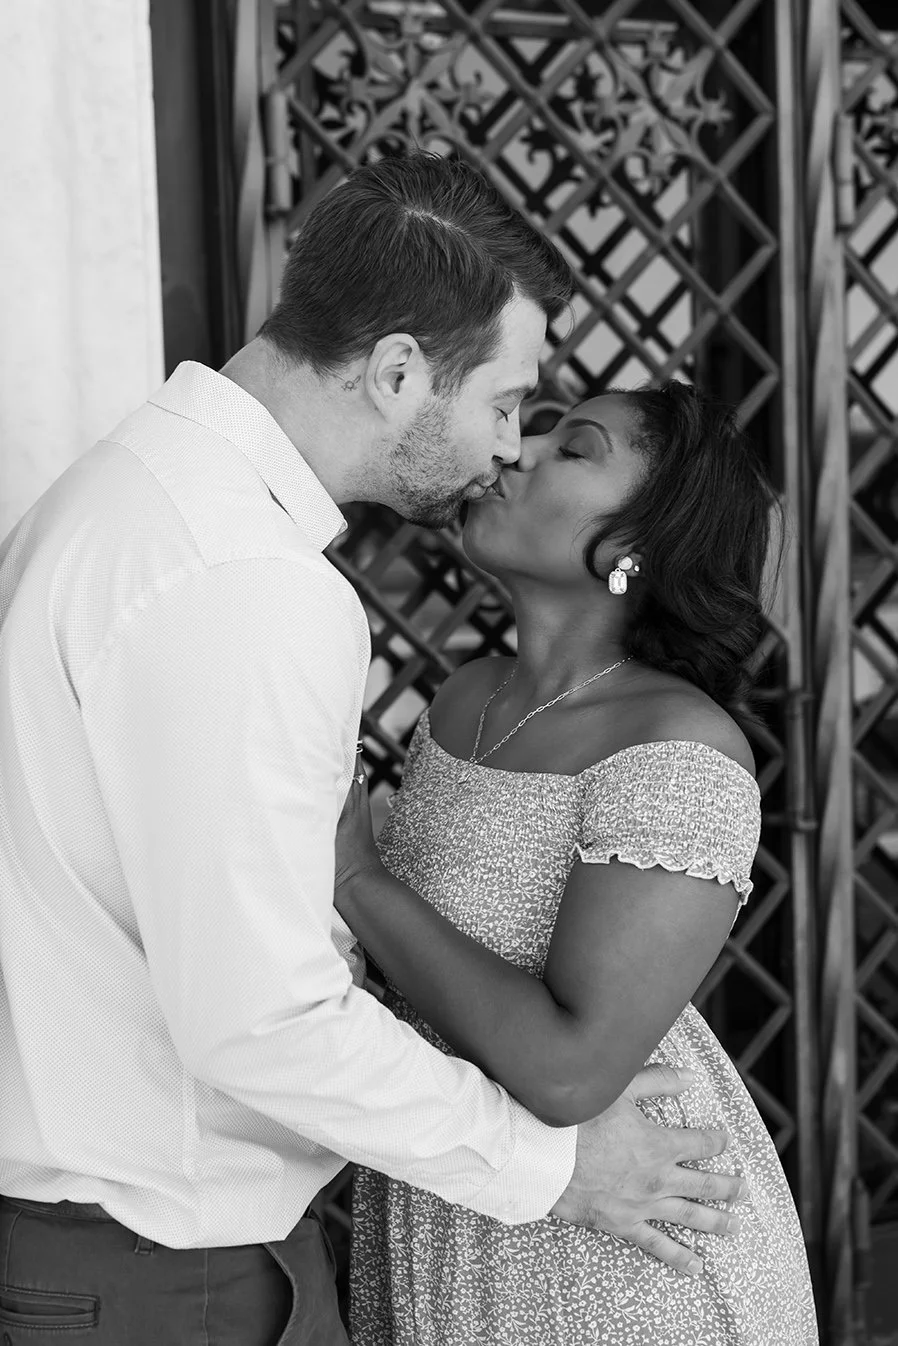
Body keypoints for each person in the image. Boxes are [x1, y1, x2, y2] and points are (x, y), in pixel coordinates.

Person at [0, 154, 742, 1346]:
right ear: (398, 368)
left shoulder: (124, 495)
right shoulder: (249, 579)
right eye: (506, 404)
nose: (509, 446)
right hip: (161, 1271)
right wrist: (552, 1169)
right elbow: (264, 1016)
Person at [334, 380, 819, 1344]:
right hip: (451, 1200)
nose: (517, 450)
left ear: (638, 544)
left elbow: (570, 1073)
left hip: (624, 1260)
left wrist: (357, 879)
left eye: (575, 448)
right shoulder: (466, 697)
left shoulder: (681, 749)